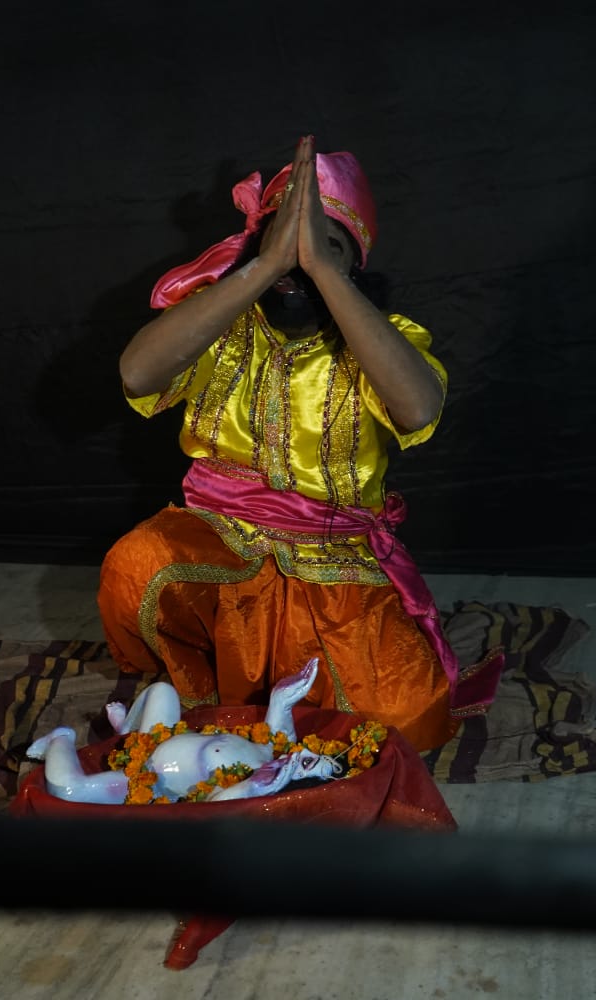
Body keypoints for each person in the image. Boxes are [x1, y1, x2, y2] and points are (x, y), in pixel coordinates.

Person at [98, 136, 500, 752]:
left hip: (334, 565)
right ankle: (199, 689)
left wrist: (321, 268)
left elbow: (418, 406)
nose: (297, 266)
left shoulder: (383, 339)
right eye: (283, 248)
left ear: (352, 267)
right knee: (138, 563)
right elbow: (137, 373)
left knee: (406, 721)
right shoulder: (220, 326)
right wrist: (262, 265)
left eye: (324, 249)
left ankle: (265, 691)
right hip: (222, 549)